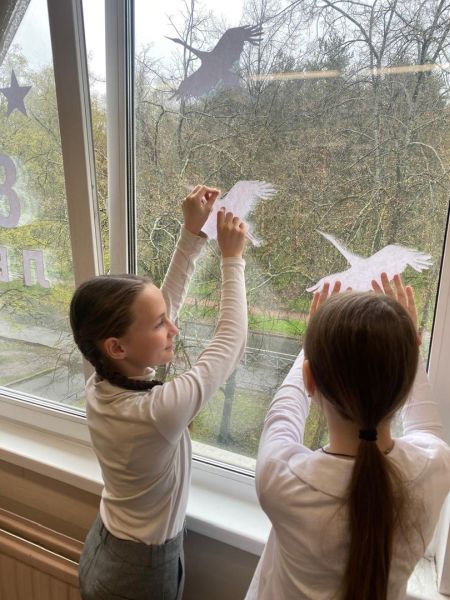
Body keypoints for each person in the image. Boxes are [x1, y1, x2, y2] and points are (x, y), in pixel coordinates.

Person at [70, 184, 248, 600]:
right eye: (160, 325)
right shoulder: (154, 413)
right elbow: (230, 342)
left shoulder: (102, 381)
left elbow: (153, 312)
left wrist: (192, 234)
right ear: (116, 347)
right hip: (136, 576)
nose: (174, 328)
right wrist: (232, 259)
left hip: (106, 545)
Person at [246, 273, 450, 600]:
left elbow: (282, 415)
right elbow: (426, 426)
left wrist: (309, 347)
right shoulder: (434, 469)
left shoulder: (282, 482)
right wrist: (408, 345)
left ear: (310, 379)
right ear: (406, 380)